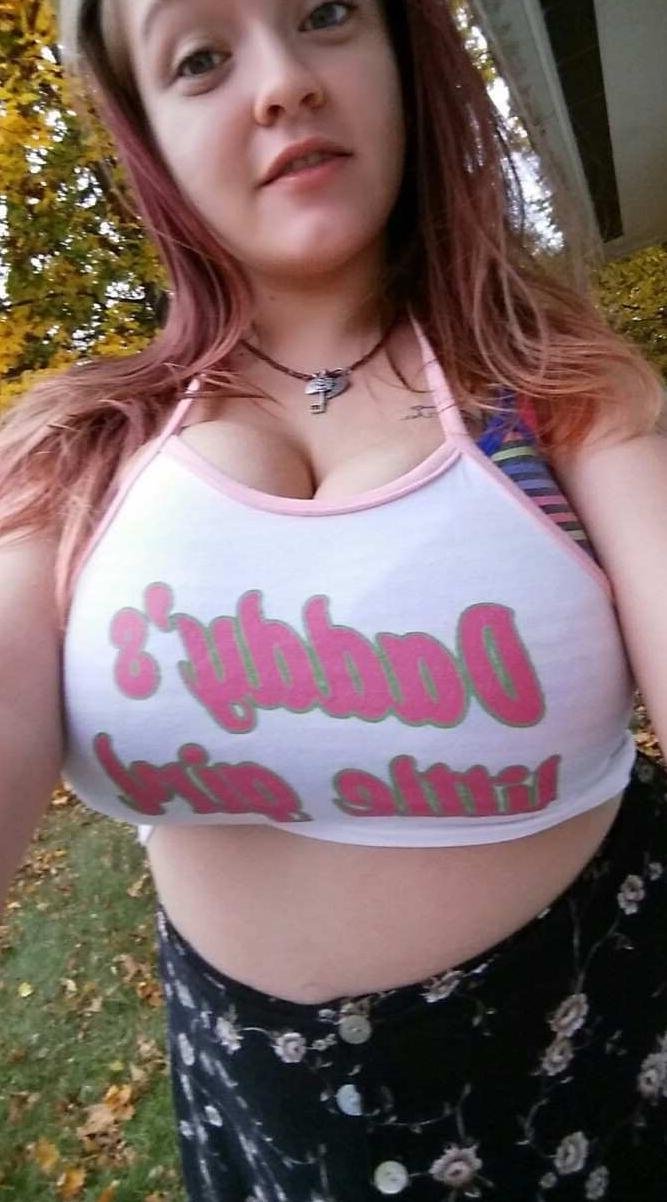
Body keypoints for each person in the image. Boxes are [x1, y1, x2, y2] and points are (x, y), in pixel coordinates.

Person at [1, 0, 666, 1198]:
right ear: (147, 134)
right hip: (262, 1124)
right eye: (200, 58)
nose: (281, 83)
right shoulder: (83, 450)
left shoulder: (555, 387)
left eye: (323, 13)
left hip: (601, 1060)